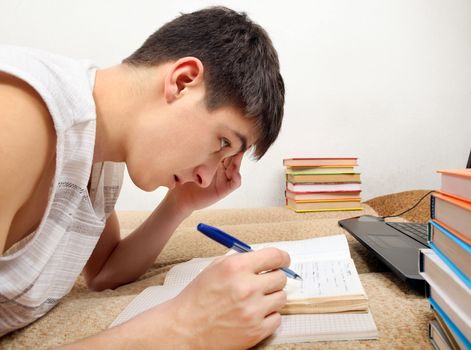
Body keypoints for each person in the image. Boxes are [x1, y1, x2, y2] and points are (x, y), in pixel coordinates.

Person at [0, 6, 287, 349]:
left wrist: (180, 203)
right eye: (222, 142)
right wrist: (181, 329)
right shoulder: (18, 117)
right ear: (182, 82)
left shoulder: (100, 155)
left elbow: (103, 273)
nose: (206, 175)